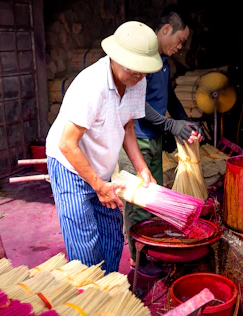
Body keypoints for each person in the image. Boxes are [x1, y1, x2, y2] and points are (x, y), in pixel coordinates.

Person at [45, 21, 163, 275]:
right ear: (116, 57)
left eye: (144, 71)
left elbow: (127, 126)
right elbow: (67, 143)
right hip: (69, 164)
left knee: (111, 235)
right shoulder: (91, 85)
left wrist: (142, 169)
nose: (139, 75)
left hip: (101, 167)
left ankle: (110, 291)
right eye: (134, 68)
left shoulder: (136, 81)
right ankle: (89, 300)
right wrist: (98, 185)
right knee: (85, 242)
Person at [118, 5, 203, 277]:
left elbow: (169, 97)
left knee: (152, 201)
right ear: (166, 30)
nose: (180, 47)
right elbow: (138, 103)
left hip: (152, 140)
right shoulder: (143, 60)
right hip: (136, 141)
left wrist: (184, 121)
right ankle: (137, 260)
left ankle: (149, 252)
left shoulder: (164, 63)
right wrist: (171, 125)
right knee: (137, 204)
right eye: (179, 40)